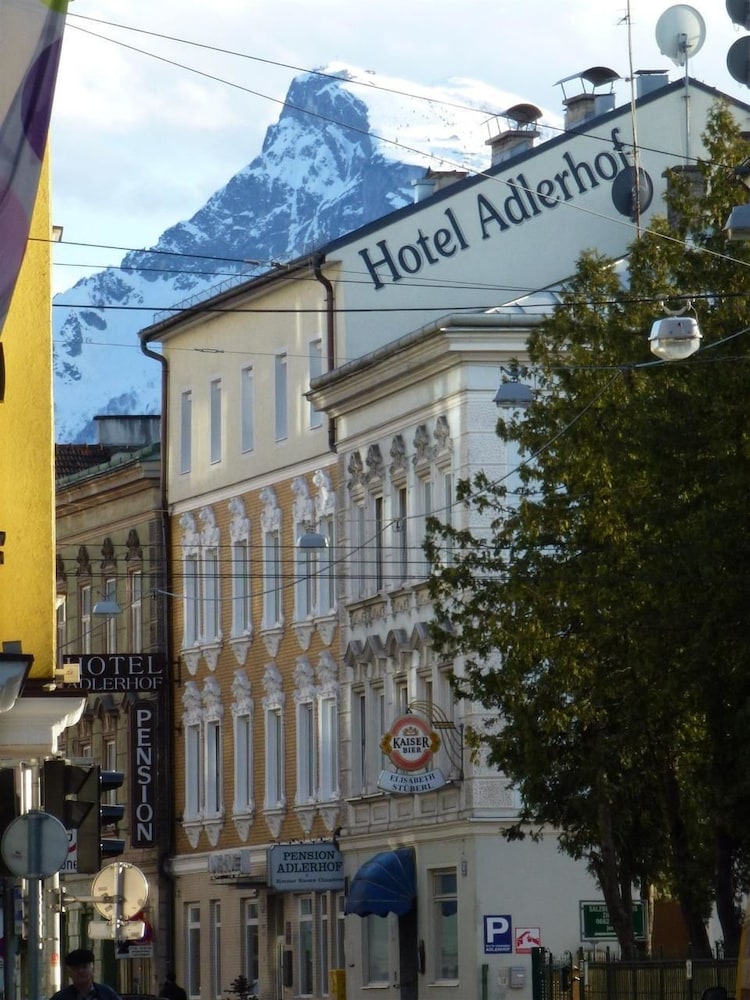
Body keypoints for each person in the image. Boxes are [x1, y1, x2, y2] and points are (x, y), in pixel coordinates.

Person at [50, 949, 121, 1000]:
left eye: (84, 966)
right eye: (76, 968)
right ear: (69, 973)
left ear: (93, 969)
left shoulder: (107, 994)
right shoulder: (60, 997)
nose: (80, 971)